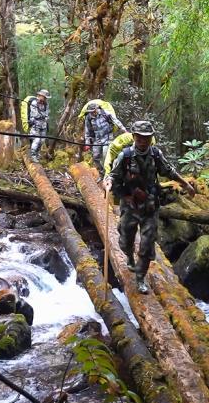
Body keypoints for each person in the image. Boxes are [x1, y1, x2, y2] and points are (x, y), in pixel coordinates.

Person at [106, 121, 195, 294]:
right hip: (130, 205)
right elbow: (113, 175)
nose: (143, 141)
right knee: (125, 240)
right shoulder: (125, 156)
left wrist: (185, 184)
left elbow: (168, 170)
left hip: (150, 206)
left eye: (147, 137)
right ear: (134, 136)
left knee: (147, 244)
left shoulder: (155, 154)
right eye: (139, 137)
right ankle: (129, 256)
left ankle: (140, 278)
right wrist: (109, 182)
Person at [82, 100, 127, 173]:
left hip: (108, 137)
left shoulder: (105, 113)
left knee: (105, 155)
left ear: (97, 109)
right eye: (90, 111)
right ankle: (102, 172)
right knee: (95, 156)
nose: (92, 113)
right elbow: (87, 131)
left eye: (93, 110)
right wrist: (87, 143)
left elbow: (116, 121)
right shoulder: (88, 117)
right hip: (97, 139)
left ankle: (109, 173)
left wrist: (124, 130)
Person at [28, 89, 51, 161]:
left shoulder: (46, 104)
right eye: (44, 97)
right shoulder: (34, 103)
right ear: (40, 96)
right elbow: (35, 115)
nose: (45, 99)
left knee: (42, 141)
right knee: (36, 140)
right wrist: (43, 116)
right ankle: (33, 155)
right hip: (35, 125)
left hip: (43, 125)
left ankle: (37, 154)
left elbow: (47, 114)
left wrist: (45, 116)